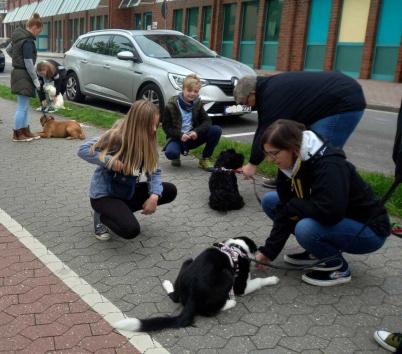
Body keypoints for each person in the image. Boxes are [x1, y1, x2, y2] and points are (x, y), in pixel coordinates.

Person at [255, 119, 390, 286]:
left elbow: (330, 214)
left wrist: (294, 206)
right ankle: (316, 252)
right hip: (338, 218)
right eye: (267, 154)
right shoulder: (290, 163)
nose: (270, 160)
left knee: (305, 228)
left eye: (274, 153)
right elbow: (285, 207)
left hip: (368, 229)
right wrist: (268, 252)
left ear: (292, 147)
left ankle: (338, 268)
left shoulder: (329, 165)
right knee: (271, 201)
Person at [234, 72, 366, 188]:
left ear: (252, 93)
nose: (247, 107)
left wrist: (252, 164)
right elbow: (269, 128)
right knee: (297, 143)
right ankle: (288, 180)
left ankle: (328, 190)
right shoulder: (267, 90)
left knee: (320, 152)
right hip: (329, 99)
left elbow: (266, 131)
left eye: (245, 102)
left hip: (343, 100)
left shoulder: (271, 96)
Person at [78, 100, 177, 241]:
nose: (155, 129)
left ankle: (119, 212)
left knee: (169, 190)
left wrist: (154, 196)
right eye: (151, 125)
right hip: (104, 196)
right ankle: (102, 216)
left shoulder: (148, 142)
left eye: (156, 124)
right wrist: (109, 161)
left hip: (125, 192)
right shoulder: (116, 137)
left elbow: (154, 172)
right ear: (138, 124)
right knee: (131, 230)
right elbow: (82, 150)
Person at [162, 74, 222, 170]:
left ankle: (205, 159)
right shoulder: (171, 105)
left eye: (195, 91)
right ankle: (176, 155)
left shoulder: (197, 103)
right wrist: (180, 135)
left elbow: (207, 121)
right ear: (183, 89)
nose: (192, 94)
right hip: (177, 138)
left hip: (192, 137)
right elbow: (166, 127)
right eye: (189, 91)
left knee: (216, 130)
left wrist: (196, 131)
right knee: (171, 153)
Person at [10, 13, 43, 141]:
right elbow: (29, 63)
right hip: (24, 73)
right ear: (34, 27)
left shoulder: (18, 37)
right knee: (22, 107)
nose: (38, 34)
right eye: (39, 31)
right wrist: (36, 80)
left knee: (24, 106)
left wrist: (16, 59)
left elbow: (8, 50)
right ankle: (18, 134)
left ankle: (25, 131)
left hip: (19, 72)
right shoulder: (28, 41)